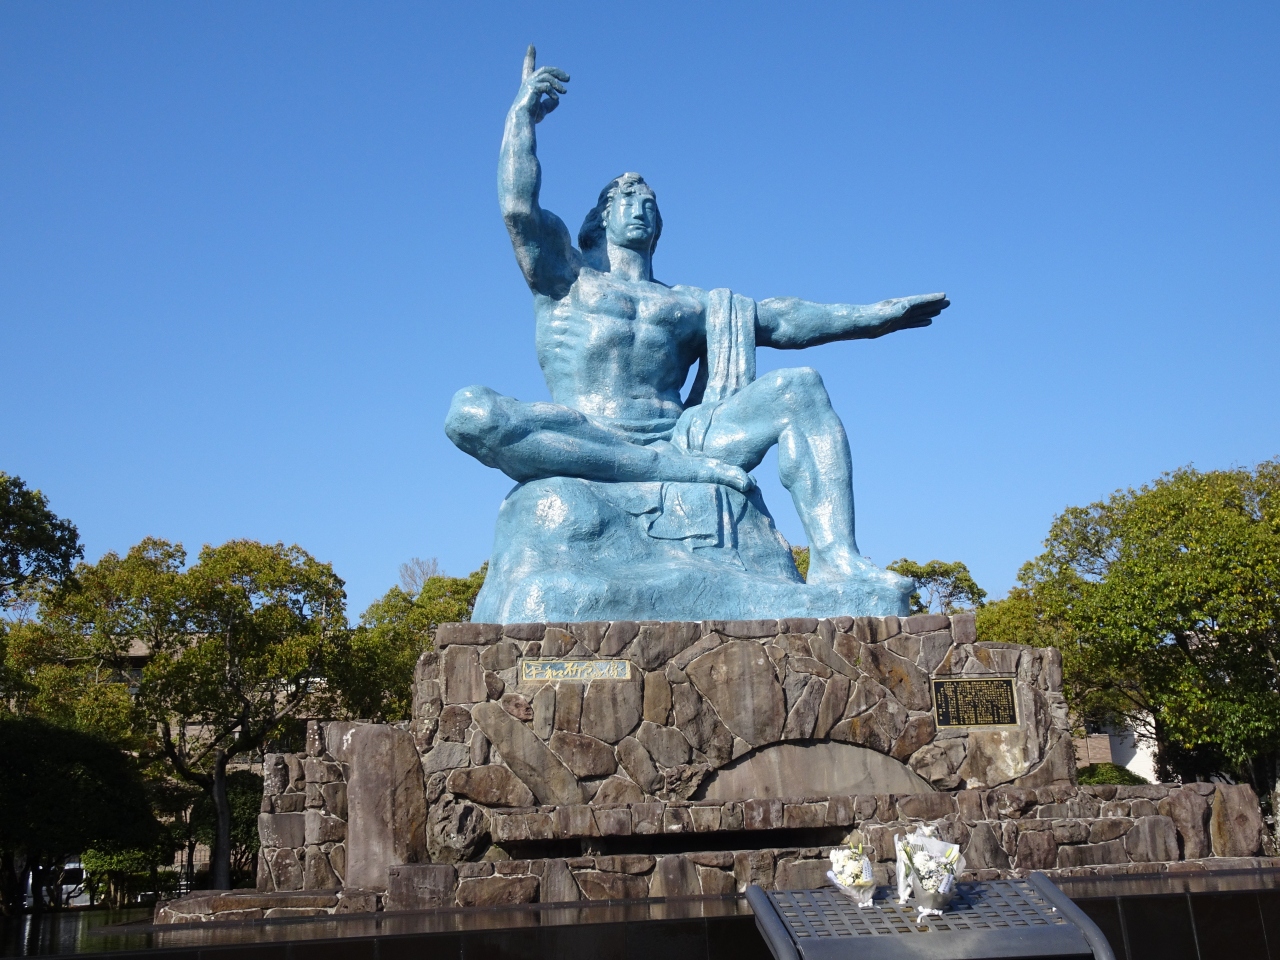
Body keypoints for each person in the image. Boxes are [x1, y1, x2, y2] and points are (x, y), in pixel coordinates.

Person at [447, 47, 949, 586]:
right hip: (585, 433)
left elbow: (781, 320)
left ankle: (837, 560)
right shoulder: (566, 277)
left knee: (800, 389)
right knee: (470, 412)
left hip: (682, 437)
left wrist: (875, 316)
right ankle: (658, 471)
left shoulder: (686, 304)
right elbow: (518, 209)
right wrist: (521, 117)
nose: (641, 206)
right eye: (627, 197)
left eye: (650, 202)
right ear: (599, 218)